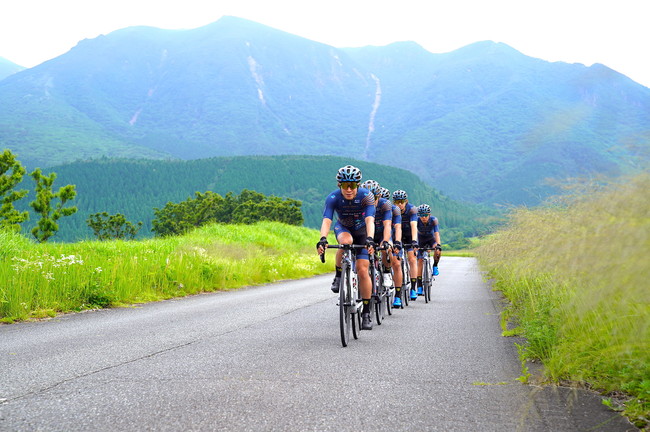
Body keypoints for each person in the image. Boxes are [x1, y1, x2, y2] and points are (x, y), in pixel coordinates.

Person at [317, 165, 376, 330]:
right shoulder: (333, 198)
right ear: (339, 185)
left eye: (352, 185)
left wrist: (370, 239)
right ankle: (338, 275)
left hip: (363, 232)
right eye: (344, 185)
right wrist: (322, 238)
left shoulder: (367, 196)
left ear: (358, 184)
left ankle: (365, 312)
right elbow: (327, 220)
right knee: (345, 242)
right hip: (343, 228)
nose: (348, 189)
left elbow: (370, 220)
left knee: (363, 270)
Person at [360, 180, 393, 289]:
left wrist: (385, 240)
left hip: (382, 233)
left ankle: (387, 272)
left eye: (373, 198)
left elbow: (388, 225)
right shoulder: (360, 204)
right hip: (368, 234)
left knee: (386, 249)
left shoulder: (385, 204)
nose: (370, 201)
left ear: (379, 196)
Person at [379, 187, 404, 308]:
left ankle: (398, 295)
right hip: (376, 236)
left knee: (396, 263)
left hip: (391, 237)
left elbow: (398, 228)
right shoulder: (370, 208)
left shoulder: (394, 210)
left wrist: (398, 242)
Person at [393, 189, 419, 301]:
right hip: (397, 236)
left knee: (412, 259)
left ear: (406, 201)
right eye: (397, 202)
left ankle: (413, 288)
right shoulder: (392, 210)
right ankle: (397, 294)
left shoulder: (412, 209)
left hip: (409, 236)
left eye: (402, 201)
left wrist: (414, 241)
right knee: (396, 262)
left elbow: (414, 225)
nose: (400, 204)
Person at [416, 204, 442, 295]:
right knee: (419, 261)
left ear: (429, 215)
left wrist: (438, 245)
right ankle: (419, 286)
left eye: (426, 215)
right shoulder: (416, 220)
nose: (424, 217)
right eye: (422, 215)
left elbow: (436, 233)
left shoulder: (433, 220)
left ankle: (435, 265)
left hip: (431, 239)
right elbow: (413, 233)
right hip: (420, 240)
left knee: (438, 250)